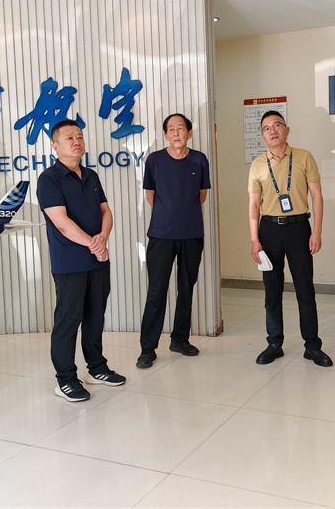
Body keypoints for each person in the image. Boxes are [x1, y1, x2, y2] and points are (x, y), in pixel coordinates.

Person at [37, 119, 126, 402]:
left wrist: (102, 239)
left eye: (79, 136)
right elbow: (61, 222)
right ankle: (65, 379)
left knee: (95, 317)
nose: (76, 141)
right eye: (69, 138)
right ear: (55, 146)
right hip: (70, 263)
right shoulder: (49, 179)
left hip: (98, 260)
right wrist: (94, 244)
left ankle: (96, 368)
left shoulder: (91, 175)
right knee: (68, 322)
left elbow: (106, 211)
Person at [247, 110, 333, 367]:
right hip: (269, 230)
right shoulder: (257, 165)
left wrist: (317, 231)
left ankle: (312, 345)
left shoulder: (304, 157)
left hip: (299, 228)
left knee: (305, 288)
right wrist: (254, 239)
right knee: (272, 290)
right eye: (266, 128)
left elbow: (316, 196)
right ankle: (274, 343)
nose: (272, 131)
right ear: (262, 136)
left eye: (277, 125)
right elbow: (253, 205)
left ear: (287, 130)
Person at [137, 113, 211, 368]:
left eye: (181, 128)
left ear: (189, 133)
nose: (176, 132)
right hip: (161, 234)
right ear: (165, 135)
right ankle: (148, 348)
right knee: (156, 290)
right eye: (171, 129)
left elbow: (201, 195)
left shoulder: (199, 159)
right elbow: (150, 195)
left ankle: (180, 339)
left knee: (186, 288)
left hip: (191, 234)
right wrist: (167, 215)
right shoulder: (154, 160)